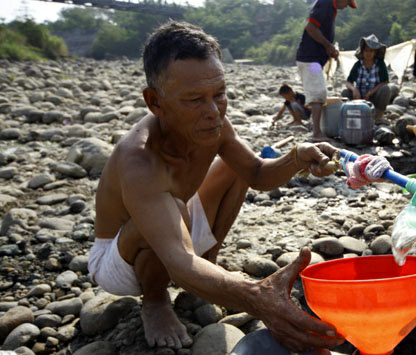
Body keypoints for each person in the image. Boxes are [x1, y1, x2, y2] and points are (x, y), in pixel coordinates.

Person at [88, 21, 344, 353]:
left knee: (231, 169)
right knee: (175, 212)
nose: (213, 112)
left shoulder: (214, 124)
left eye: (219, 94)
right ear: (155, 102)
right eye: (194, 99)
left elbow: (255, 172)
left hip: (175, 232)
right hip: (120, 259)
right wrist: (256, 297)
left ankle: (209, 265)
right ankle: (154, 301)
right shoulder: (139, 160)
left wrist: (296, 157)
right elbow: (178, 259)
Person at [295, 0, 358, 142]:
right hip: (310, 59)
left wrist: (328, 49)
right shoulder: (325, 3)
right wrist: (328, 46)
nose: (347, 6)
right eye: (347, 3)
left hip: (314, 60)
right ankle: (316, 133)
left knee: (320, 92)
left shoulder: (330, 7)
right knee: (318, 93)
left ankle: (319, 129)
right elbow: (310, 27)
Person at [342, 34, 393, 123]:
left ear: (375, 52)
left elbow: (384, 82)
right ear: (362, 52)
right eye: (366, 51)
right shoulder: (358, 65)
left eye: (371, 51)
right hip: (358, 99)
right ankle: (350, 115)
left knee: (386, 89)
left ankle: (378, 117)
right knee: (345, 92)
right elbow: (348, 82)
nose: (368, 53)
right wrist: (354, 90)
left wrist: (370, 93)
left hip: (373, 98)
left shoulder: (380, 65)